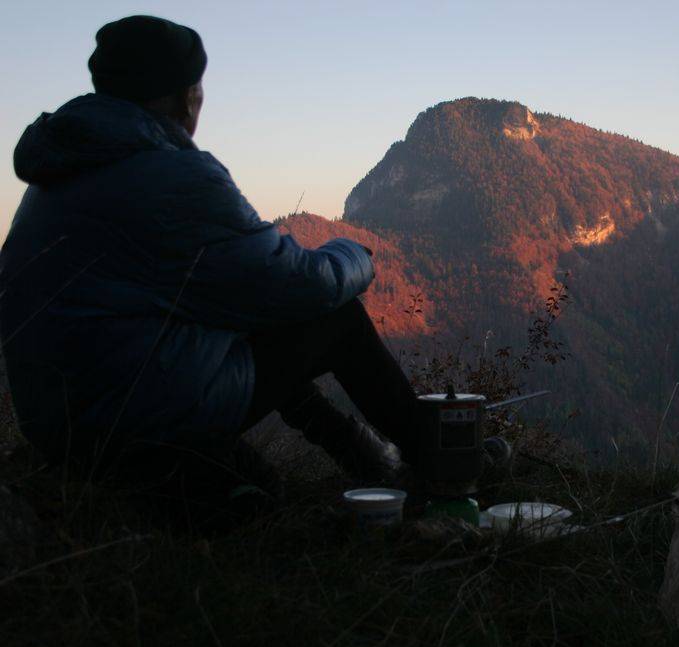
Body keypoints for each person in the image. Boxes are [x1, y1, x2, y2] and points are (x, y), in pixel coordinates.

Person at [0, 15, 419, 527]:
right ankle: (439, 462)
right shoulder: (171, 175)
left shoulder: (58, 172)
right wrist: (355, 255)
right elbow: (296, 286)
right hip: (130, 419)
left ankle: (364, 455)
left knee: (256, 487)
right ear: (185, 97)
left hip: (61, 422)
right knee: (335, 319)